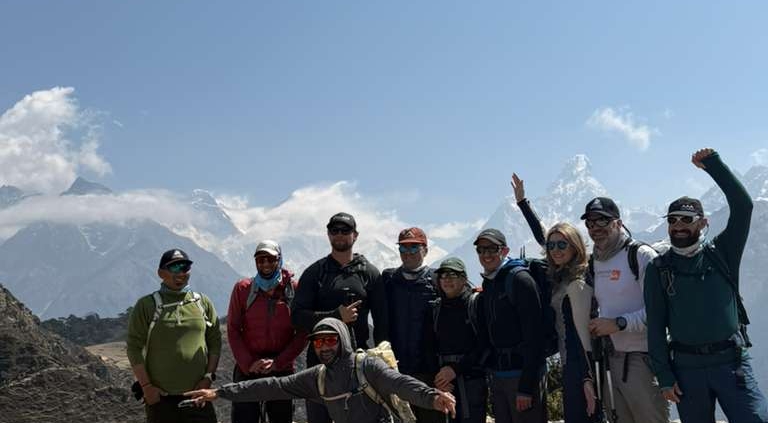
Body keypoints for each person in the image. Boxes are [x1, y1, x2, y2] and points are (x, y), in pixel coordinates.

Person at [645, 148, 768, 422]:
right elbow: (654, 325)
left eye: (686, 220)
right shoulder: (659, 268)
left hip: (731, 362)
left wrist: (713, 165)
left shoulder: (723, 252)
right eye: (673, 219)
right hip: (686, 369)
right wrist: (664, 375)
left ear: (703, 223)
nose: (678, 225)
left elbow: (743, 206)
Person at [184, 318, 457, 423]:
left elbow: (398, 383)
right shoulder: (318, 377)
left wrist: (432, 396)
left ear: (343, 341)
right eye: (318, 342)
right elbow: (271, 387)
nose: (324, 347)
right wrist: (220, 392)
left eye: (330, 340)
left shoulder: (366, 366)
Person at [579, 196, 668, 423]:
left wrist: (618, 323)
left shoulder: (640, 255)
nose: (595, 228)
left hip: (642, 360)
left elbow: (659, 312)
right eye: (590, 223)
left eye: (602, 222)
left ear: (618, 223)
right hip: (610, 361)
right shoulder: (595, 262)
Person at [291, 212, 388, 423]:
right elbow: (297, 316)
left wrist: (382, 359)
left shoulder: (369, 273)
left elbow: (382, 322)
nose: (340, 235)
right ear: (328, 235)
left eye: (346, 230)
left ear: (356, 235)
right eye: (335, 230)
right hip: (320, 363)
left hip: (359, 362)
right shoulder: (315, 273)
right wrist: (336, 316)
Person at [126, 248, 222, 423]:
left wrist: (208, 377)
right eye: (174, 268)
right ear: (161, 273)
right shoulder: (147, 305)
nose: (181, 273)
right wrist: (147, 387)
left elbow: (215, 341)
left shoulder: (203, 303)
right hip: (161, 399)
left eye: (185, 268)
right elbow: (133, 347)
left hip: (198, 397)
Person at [226, 240, 308, 423]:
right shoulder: (243, 289)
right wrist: (248, 363)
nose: (265, 264)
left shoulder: (293, 290)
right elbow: (233, 329)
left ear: (279, 260)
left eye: (270, 259)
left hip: (281, 368)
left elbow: (302, 333)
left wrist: (278, 362)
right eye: (260, 260)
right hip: (248, 367)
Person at [475, 228, 547, 423]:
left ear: (504, 251)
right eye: (481, 250)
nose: (486, 255)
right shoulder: (491, 281)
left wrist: (526, 387)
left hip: (522, 376)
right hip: (500, 375)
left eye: (492, 249)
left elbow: (535, 335)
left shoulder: (520, 280)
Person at [382, 227, 443, 423]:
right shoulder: (389, 280)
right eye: (403, 249)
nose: (408, 253)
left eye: (414, 248)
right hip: (396, 370)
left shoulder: (438, 280)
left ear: (425, 249)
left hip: (430, 372)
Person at [423, 257, 489, 423]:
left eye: (452, 276)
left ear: (464, 279)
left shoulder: (476, 304)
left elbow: (485, 345)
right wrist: (439, 379)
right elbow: (428, 346)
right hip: (445, 383)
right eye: (443, 276)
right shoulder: (435, 308)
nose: (446, 281)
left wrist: (456, 370)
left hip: (472, 382)